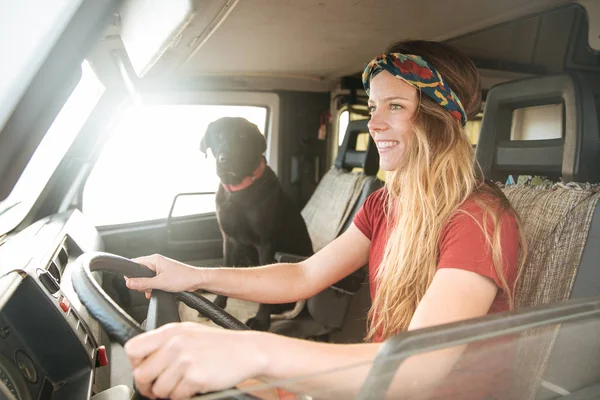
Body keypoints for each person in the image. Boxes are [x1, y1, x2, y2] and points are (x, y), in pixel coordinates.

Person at [123, 40, 524, 400]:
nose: (374, 123)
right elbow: (303, 277)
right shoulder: (385, 204)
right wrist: (191, 276)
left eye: (396, 106)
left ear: (438, 119)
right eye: (373, 107)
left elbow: (416, 370)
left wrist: (254, 351)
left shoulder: (479, 219)